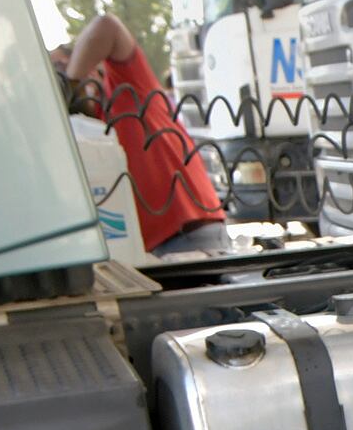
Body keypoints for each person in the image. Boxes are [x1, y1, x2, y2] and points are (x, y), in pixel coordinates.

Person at [51, 14, 231, 256]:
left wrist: (68, 86)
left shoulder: (126, 84)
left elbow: (107, 26)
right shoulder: (80, 136)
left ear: (91, 66)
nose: (60, 79)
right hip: (144, 253)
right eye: (54, 76)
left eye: (64, 68)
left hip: (192, 236)